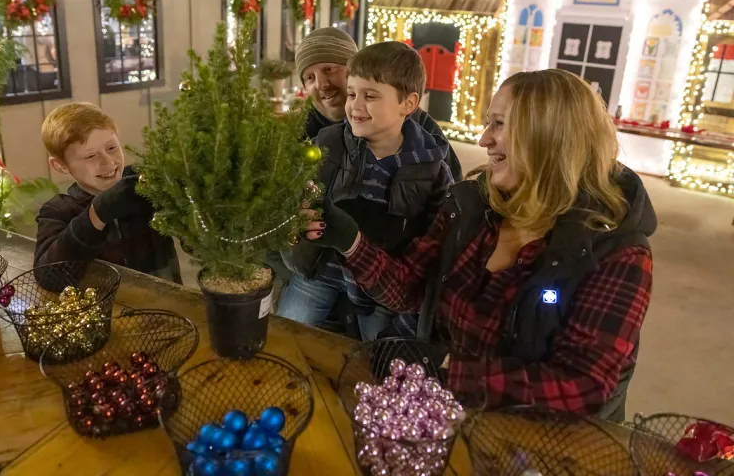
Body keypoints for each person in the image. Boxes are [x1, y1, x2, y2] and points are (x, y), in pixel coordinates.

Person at [302, 69, 656, 420]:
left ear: (549, 137)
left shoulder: (616, 251)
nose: (484, 139)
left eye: (498, 124)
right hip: (443, 412)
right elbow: (408, 288)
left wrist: (445, 368)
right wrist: (350, 240)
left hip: (538, 440)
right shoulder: (470, 207)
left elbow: (582, 386)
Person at [278, 42, 454, 341]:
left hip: (380, 292)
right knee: (285, 337)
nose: (355, 106)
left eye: (370, 96)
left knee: (378, 361)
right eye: (352, 93)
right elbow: (298, 189)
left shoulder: (432, 169)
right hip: (321, 272)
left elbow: (431, 246)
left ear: (407, 104)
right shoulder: (327, 142)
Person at [34, 102, 180, 282]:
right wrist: (97, 213)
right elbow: (48, 276)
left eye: (112, 148)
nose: (109, 163)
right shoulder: (58, 211)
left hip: (167, 304)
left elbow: (200, 244)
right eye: (90, 156)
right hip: (107, 307)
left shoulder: (146, 184)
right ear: (61, 166)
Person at [295, 27, 463, 180]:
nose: (321, 84)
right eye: (310, 78)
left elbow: (452, 189)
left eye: (329, 69)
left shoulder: (419, 126)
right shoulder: (301, 133)